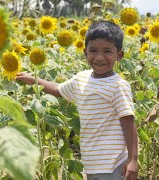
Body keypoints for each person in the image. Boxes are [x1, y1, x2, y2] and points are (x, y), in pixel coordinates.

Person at [16, 20, 138, 180]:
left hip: (113, 163)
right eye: (93, 50)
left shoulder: (118, 86)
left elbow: (128, 123)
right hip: (91, 162)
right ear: (85, 52)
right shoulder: (81, 79)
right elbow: (58, 90)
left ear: (119, 55)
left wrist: (133, 160)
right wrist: (33, 80)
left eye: (107, 51)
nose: (99, 57)